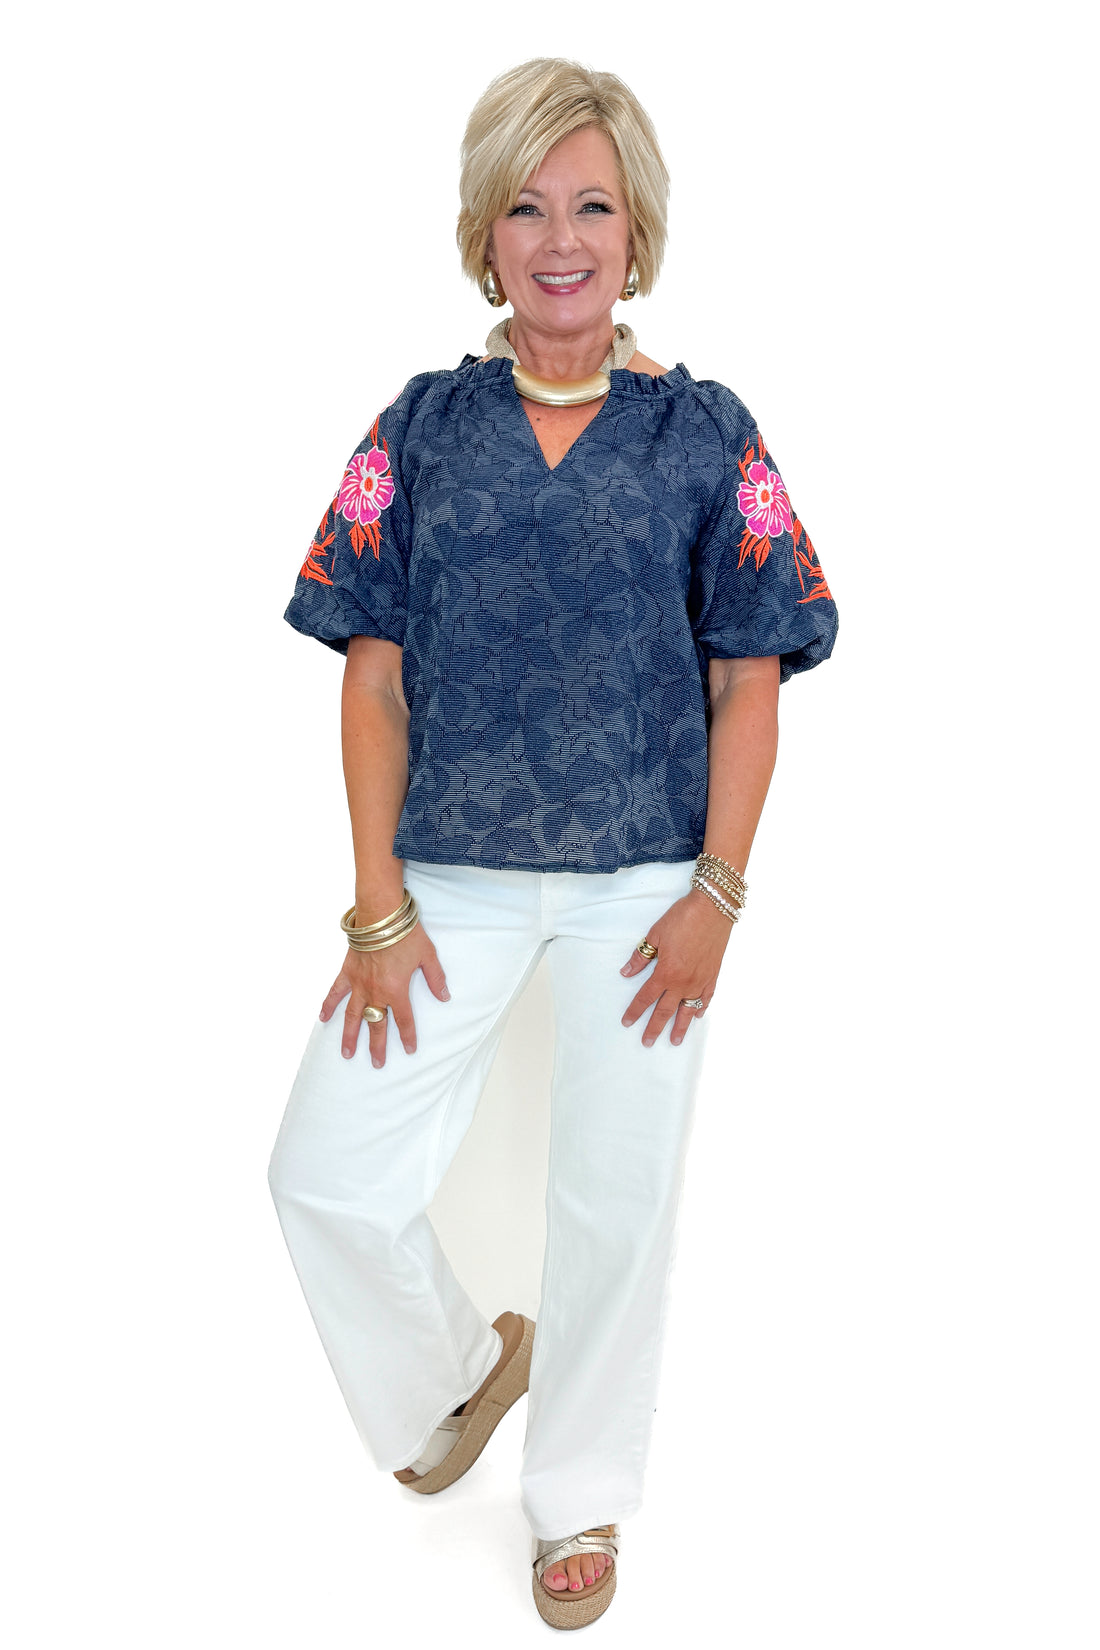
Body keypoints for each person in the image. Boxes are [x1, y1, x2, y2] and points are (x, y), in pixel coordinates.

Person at [267, 56, 838, 1629]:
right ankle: (458, 1370)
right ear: (485, 234)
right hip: (445, 877)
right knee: (323, 1170)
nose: (560, 237)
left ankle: (578, 1495)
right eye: (526, 207)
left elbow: (751, 676)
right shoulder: (421, 427)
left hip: (647, 883)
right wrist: (376, 901)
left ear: (636, 231)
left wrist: (719, 891)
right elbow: (370, 672)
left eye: (591, 204)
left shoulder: (704, 434)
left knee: (614, 1197)